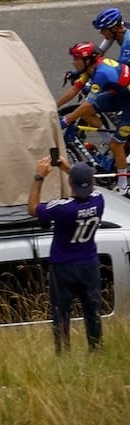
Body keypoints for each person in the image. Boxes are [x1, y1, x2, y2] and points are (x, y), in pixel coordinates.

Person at [30, 155, 105, 353]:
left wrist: (39, 178)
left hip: (63, 267)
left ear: (70, 183)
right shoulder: (99, 202)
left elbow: (32, 209)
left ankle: (63, 354)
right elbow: (90, 187)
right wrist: (69, 170)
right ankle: (95, 351)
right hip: (89, 265)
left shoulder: (63, 209)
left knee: (61, 314)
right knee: (93, 312)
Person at [55, 42, 130, 193]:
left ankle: (123, 185)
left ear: (88, 60)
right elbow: (74, 91)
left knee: (117, 146)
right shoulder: (91, 68)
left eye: (76, 59)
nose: (73, 62)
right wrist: (52, 107)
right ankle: (109, 141)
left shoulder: (101, 73)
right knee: (86, 112)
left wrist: (67, 120)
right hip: (121, 96)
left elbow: (89, 104)